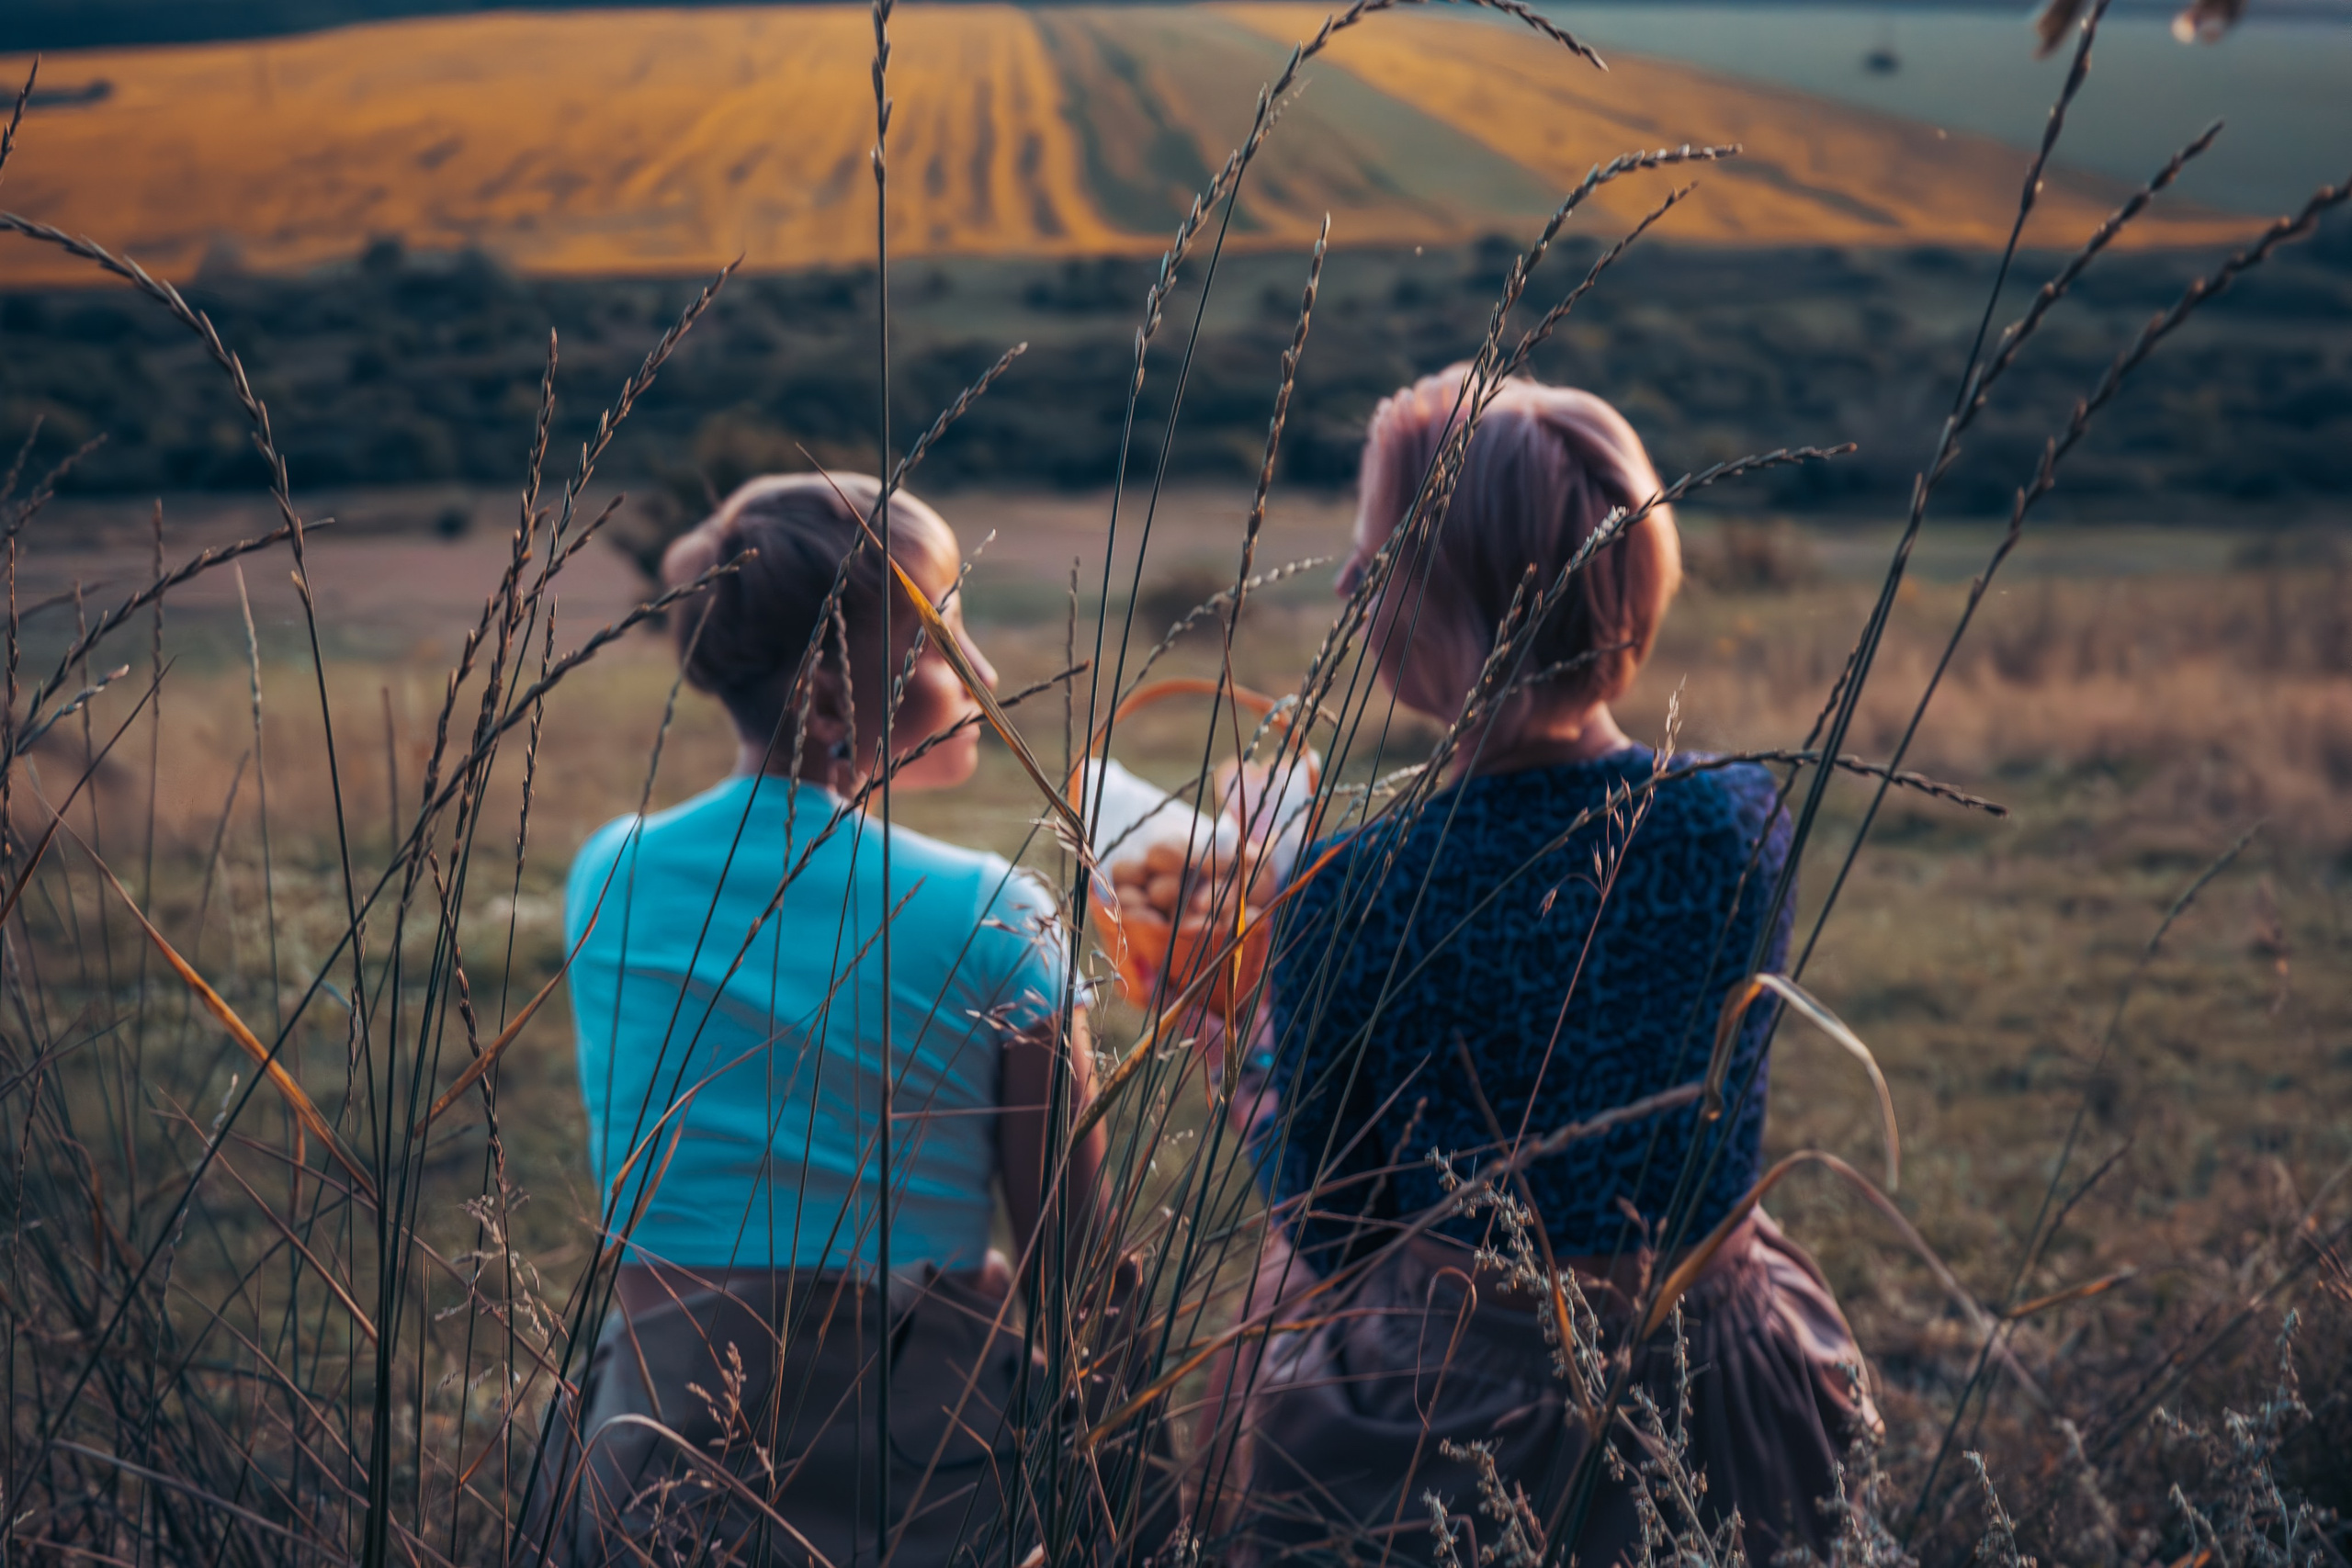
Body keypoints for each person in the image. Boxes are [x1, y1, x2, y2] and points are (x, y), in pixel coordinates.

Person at [1224, 368, 1878, 1565]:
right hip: (1722, 1367)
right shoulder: (1738, 814)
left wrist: (1247, 1052)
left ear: (1456, 608)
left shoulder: (1354, 884)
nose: (1344, 586)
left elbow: (1336, 1230)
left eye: (1374, 566)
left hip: (1458, 1422)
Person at [528, 473, 1111, 1568]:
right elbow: (1073, 1264)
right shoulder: (996, 911)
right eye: (943, 636)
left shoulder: (608, 875)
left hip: (656, 1463)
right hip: (919, 1478)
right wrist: (1153, 1505)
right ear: (835, 706)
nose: (982, 670)